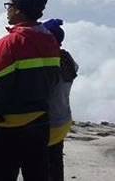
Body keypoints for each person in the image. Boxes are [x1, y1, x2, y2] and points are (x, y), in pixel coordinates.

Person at [0, 0, 60, 181]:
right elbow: (52, 81)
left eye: (9, 5)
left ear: (18, 9)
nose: (7, 9)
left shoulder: (9, 43)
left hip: (8, 127)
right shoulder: (50, 40)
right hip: (40, 123)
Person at [43, 19, 78, 181]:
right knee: (56, 161)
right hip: (63, 118)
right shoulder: (68, 60)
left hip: (46, 122)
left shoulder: (49, 63)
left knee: (42, 163)